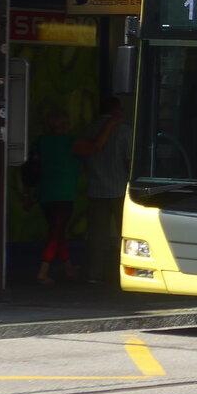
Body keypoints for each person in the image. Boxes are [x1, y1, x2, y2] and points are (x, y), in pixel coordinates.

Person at [78, 97, 133, 284]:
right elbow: (128, 161)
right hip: (119, 189)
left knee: (97, 235)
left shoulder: (89, 129)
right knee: (126, 232)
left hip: (95, 189)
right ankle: (129, 271)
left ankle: (94, 274)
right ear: (117, 110)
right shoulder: (124, 131)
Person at [31, 109, 82, 285]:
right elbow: (97, 147)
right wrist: (110, 124)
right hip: (64, 193)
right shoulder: (71, 142)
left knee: (57, 232)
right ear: (67, 124)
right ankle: (43, 271)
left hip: (45, 193)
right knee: (56, 233)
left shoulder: (41, 142)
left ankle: (68, 267)